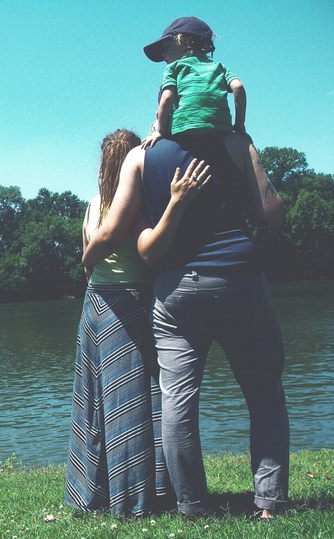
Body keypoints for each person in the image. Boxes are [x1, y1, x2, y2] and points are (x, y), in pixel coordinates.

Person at [82, 128, 288, 521]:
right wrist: (249, 153)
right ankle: (270, 504)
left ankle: (193, 507)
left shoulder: (143, 157)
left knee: (178, 402)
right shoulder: (235, 143)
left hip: (176, 290)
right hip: (241, 279)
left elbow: (145, 250)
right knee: (265, 396)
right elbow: (273, 215)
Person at [65, 129, 208, 517]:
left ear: (102, 164)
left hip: (95, 303)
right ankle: (138, 498)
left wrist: (87, 262)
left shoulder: (93, 205)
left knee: (96, 402)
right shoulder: (138, 202)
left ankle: (93, 492)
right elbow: (125, 246)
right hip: (130, 302)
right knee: (135, 402)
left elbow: (88, 256)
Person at [141, 16, 246, 149]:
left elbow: (167, 97)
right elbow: (238, 87)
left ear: (184, 41)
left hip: (185, 126)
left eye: (166, 47)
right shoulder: (219, 67)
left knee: (156, 126)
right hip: (220, 127)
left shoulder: (173, 68)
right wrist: (239, 124)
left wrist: (160, 131)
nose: (163, 55)